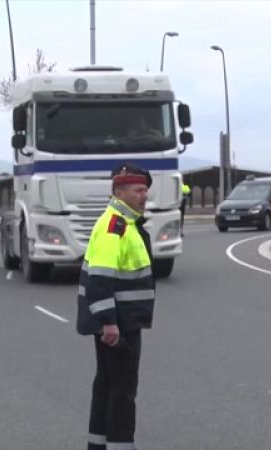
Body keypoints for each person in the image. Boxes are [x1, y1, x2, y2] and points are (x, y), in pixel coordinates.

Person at [77, 162, 156, 450]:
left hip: (121, 320)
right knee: (122, 390)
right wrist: (109, 321)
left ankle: (98, 445)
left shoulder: (125, 222)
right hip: (120, 323)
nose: (144, 195)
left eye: (145, 190)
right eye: (138, 190)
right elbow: (100, 276)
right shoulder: (116, 226)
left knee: (107, 385)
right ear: (119, 191)